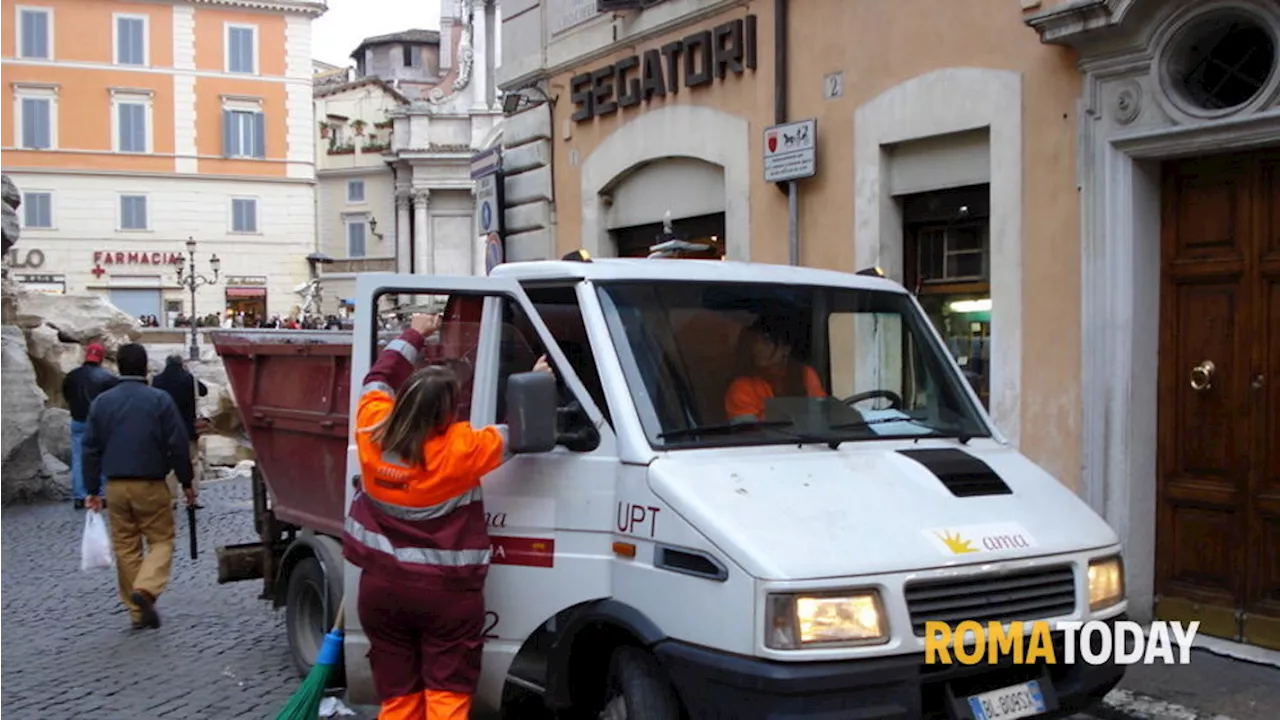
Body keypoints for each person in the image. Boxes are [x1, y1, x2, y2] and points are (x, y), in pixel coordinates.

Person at [343, 313, 551, 720]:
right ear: (448, 413)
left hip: (380, 591)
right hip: (445, 597)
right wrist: (536, 379)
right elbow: (520, 433)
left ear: (403, 401)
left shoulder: (371, 430)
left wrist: (414, 333)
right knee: (446, 694)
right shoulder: (460, 450)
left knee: (399, 697)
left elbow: (377, 378)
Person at [82, 343, 197, 630]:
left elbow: (90, 449)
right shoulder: (159, 400)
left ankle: (136, 612)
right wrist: (186, 482)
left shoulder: (102, 402)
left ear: (118, 367)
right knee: (161, 541)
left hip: (116, 486)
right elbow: (178, 445)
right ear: (145, 367)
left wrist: (91, 490)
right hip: (150, 482)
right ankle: (145, 589)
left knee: (126, 547)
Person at [723, 318, 827, 423]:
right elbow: (747, 434)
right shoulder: (742, 388)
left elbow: (821, 419)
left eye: (766, 342)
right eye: (755, 341)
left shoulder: (806, 375)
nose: (757, 348)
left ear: (786, 348)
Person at [62, 342, 118, 509]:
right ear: (101, 358)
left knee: (78, 458)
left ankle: (80, 496)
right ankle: (100, 494)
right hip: (99, 423)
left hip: (77, 420)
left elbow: (66, 394)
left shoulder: (71, 376)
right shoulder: (108, 378)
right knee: (100, 457)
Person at [151, 354, 209, 506]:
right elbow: (203, 391)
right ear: (181, 364)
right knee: (193, 462)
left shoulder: (158, 380)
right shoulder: (188, 378)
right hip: (187, 427)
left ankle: (171, 499)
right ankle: (191, 497)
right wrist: (189, 373)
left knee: (169, 464)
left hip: (166, 428)